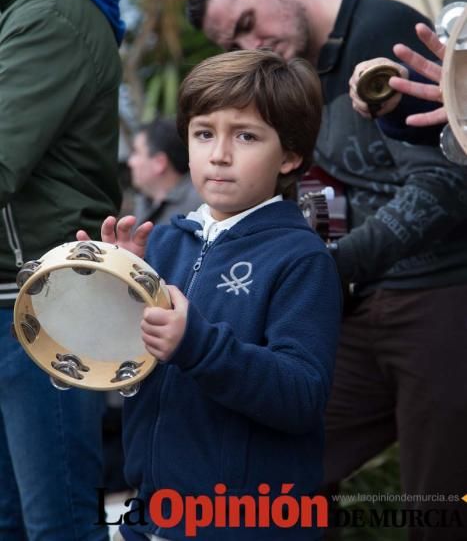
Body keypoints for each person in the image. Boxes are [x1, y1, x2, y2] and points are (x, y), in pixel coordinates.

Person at [187, 0, 467, 540]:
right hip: (354, 311)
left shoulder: (383, 32)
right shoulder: (288, 74)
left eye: (246, 24)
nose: (247, 47)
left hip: (438, 297)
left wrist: (324, 266)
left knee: (438, 510)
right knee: (277, 479)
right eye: (231, 44)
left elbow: (443, 184)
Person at [79, 49, 342, 540]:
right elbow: (125, 369)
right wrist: (114, 289)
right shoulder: (163, 241)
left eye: (245, 136)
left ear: (289, 155)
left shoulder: (302, 259)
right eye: (204, 133)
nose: (219, 154)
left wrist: (196, 344)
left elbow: (302, 395)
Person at [0, 0, 124, 539]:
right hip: (18, 305)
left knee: (56, 526)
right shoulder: (18, 5)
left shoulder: (52, 9)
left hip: (41, 309)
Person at [129, 116, 202, 225]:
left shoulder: (199, 205)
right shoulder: (145, 199)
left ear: (159, 163)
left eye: (136, 152)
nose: (130, 162)